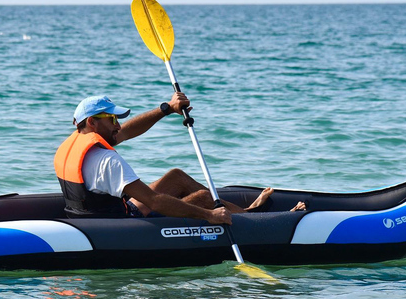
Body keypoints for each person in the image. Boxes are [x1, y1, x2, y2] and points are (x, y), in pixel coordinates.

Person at [53, 93, 304, 224]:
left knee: (176, 177)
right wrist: (209, 216)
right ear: (92, 122)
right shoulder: (107, 161)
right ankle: (254, 220)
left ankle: (244, 213)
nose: (118, 125)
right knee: (206, 199)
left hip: (96, 214)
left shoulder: (77, 144)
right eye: (112, 119)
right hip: (119, 222)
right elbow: (153, 201)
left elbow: (130, 130)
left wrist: (167, 109)